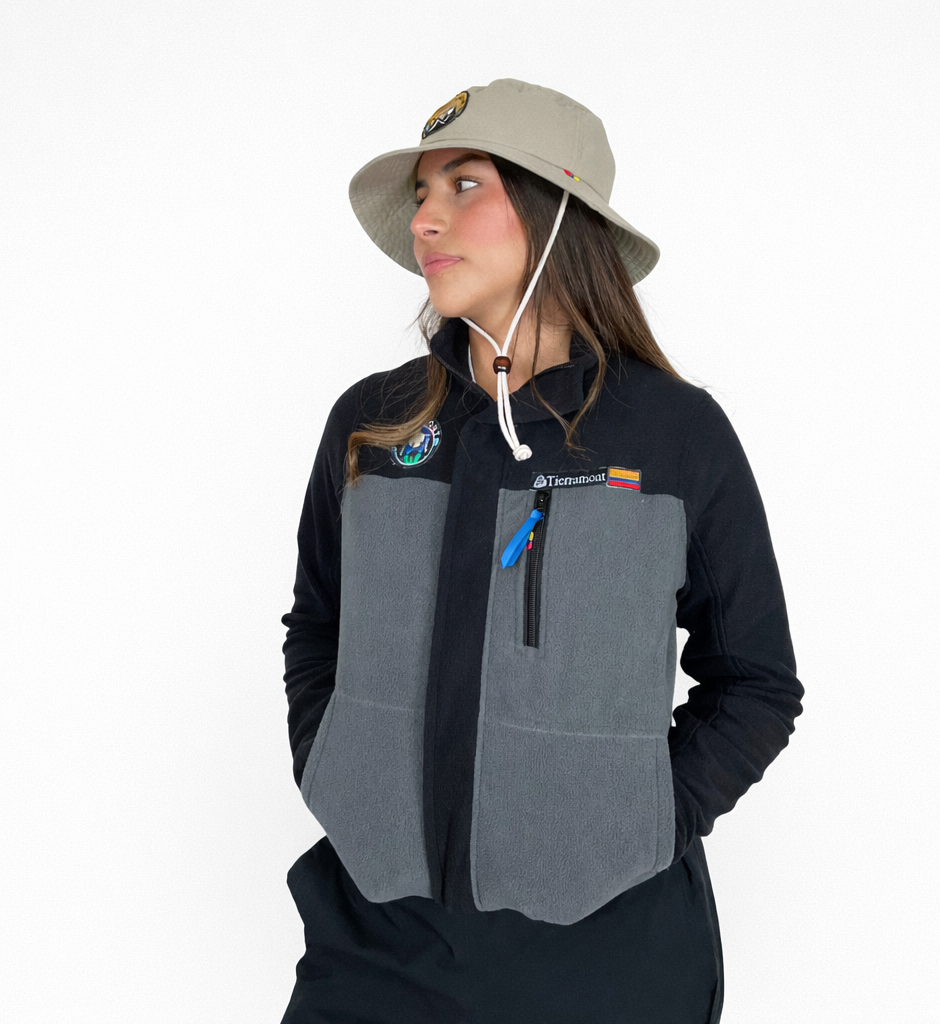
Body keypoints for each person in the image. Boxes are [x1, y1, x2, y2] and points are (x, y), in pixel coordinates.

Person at [278, 78, 803, 1024]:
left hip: (608, 964)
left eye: (463, 185)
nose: (424, 221)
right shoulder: (371, 424)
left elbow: (757, 682)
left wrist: (646, 817)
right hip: (376, 951)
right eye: (422, 194)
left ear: (556, 210)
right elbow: (317, 624)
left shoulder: (675, 437)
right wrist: (336, 770)